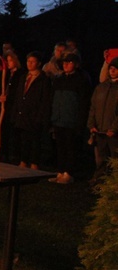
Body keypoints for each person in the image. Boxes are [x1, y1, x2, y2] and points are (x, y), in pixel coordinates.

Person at [49, 53, 91, 184]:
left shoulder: (81, 80)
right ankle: (61, 171)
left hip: (71, 120)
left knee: (71, 147)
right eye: (64, 62)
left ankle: (69, 173)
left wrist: (80, 122)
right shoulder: (59, 79)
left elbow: (84, 103)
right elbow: (53, 99)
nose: (66, 64)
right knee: (60, 147)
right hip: (58, 119)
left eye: (70, 62)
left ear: (76, 64)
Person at [11, 52, 51, 169]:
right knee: (24, 139)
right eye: (28, 61)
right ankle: (23, 160)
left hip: (34, 114)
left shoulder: (43, 80)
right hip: (22, 113)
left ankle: (34, 162)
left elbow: (45, 100)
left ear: (38, 63)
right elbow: (19, 95)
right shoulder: (24, 77)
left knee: (35, 140)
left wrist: (40, 116)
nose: (30, 64)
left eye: (32, 62)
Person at [87, 57, 118, 185]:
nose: (113, 71)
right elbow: (93, 107)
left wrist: (114, 128)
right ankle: (98, 182)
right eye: (111, 68)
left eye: (115, 69)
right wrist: (91, 124)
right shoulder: (101, 87)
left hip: (113, 133)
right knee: (101, 158)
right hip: (100, 131)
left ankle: (114, 185)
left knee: (115, 159)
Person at [0, 50, 25, 163]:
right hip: (6, 107)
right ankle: (4, 153)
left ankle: (14, 155)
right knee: (4, 130)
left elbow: (17, 91)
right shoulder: (7, 74)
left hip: (14, 107)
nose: (8, 63)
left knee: (13, 131)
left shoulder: (20, 75)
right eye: (7, 61)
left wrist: (8, 98)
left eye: (10, 60)